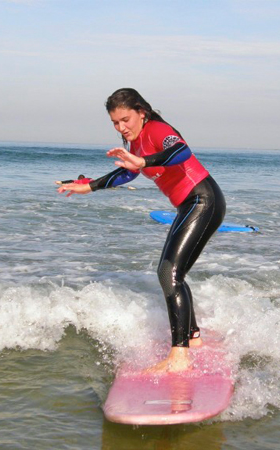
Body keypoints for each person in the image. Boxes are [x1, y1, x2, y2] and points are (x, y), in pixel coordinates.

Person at [57, 88, 226, 373]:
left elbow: (180, 150)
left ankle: (179, 357)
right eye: (115, 123)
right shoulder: (132, 141)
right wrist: (90, 186)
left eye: (125, 119)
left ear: (141, 113)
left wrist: (145, 161)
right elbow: (128, 171)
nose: (121, 127)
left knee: (168, 273)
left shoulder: (158, 129)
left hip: (203, 200)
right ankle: (192, 338)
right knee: (173, 273)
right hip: (188, 205)